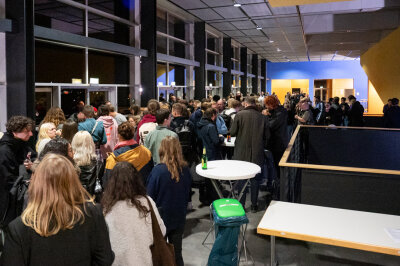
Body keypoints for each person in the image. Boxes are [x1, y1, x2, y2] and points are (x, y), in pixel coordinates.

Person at [0, 154, 114, 265]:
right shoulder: (93, 213)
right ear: (73, 181)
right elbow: (105, 259)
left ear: (36, 185)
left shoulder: (19, 228)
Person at [102, 162, 165, 266]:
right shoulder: (147, 202)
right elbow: (161, 231)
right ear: (136, 180)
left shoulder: (107, 209)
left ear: (112, 183)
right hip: (147, 261)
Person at [147, 137, 191, 266]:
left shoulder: (157, 171)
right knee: (177, 252)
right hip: (179, 216)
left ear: (161, 149)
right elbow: (188, 192)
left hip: (161, 218)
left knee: (160, 253)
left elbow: (149, 197)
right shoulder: (185, 169)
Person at [230, 96, 270, 212]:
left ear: (246, 104)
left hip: (241, 153)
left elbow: (232, 133)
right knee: (255, 180)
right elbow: (267, 137)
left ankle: (241, 205)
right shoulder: (263, 117)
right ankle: (254, 205)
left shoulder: (239, 115)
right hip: (257, 153)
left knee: (242, 179)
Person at [0, 116, 35, 227]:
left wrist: (31, 165)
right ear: (15, 132)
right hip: (8, 202)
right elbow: (7, 180)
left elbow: (33, 156)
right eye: (26, 132)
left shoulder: (20, 144)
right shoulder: (5, 151)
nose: (31, 134)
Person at [104, 122, 153, 186]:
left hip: (122, 194)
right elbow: (151, 175)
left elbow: (107, 183)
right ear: (133, 134)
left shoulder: (112, 159)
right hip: (143, 192)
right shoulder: (146, 152)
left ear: (118, 135)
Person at [263, 96, 288, 199]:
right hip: (276, 143)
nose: (266, 107)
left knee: (277, 167)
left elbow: (270, 126)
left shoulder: (280, 113)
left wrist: (265, 116)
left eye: (267, 105)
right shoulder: (280, 111)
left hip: (278, 144)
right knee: (272, 166)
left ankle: (278, 190)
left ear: (271, 104)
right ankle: (274, 185)